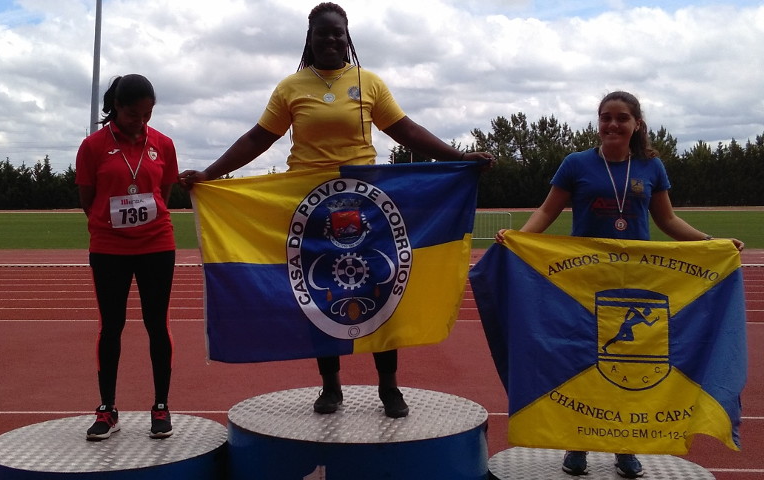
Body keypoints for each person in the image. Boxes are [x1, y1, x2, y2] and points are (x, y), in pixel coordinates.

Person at [179, 2, 493, 418]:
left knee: (381, 289)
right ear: (309, 39)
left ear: (348, 37)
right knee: (318, 294)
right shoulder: (291, 87)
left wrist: (458, 157)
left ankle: (389, 387)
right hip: (310, 208)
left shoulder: (369, 83)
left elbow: (405, 129)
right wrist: (212, 173)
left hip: (365, 203)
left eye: (337, 33)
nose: (330, 39)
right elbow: (258, 138)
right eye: (321, 33)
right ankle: (330, 387)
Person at [495, 90, 744, 478]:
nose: (613, 124)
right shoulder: (575, 164)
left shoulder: (650, 167)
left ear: (636, 124)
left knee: (627, 364)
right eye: (605, 117)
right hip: (583, 282)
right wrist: (517, 239)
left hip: (637, 282)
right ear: (598, 122)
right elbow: (547, 210)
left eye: (621, 118)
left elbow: (668, 221)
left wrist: (712, 244)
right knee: (582, 360)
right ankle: (578, 442)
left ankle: (626, 446)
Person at [76, 74, 179, 440]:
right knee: (112, 326)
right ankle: (107, 409)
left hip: (156, 244)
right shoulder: (92, 146)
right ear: (116, 108)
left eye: (149, 114)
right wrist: (109, 224)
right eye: (135, 114)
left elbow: (163, 191)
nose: (142, 122)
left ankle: (161, 406)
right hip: (110, 248)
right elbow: (88, 198)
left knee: (157, 324)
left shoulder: (163, 144)